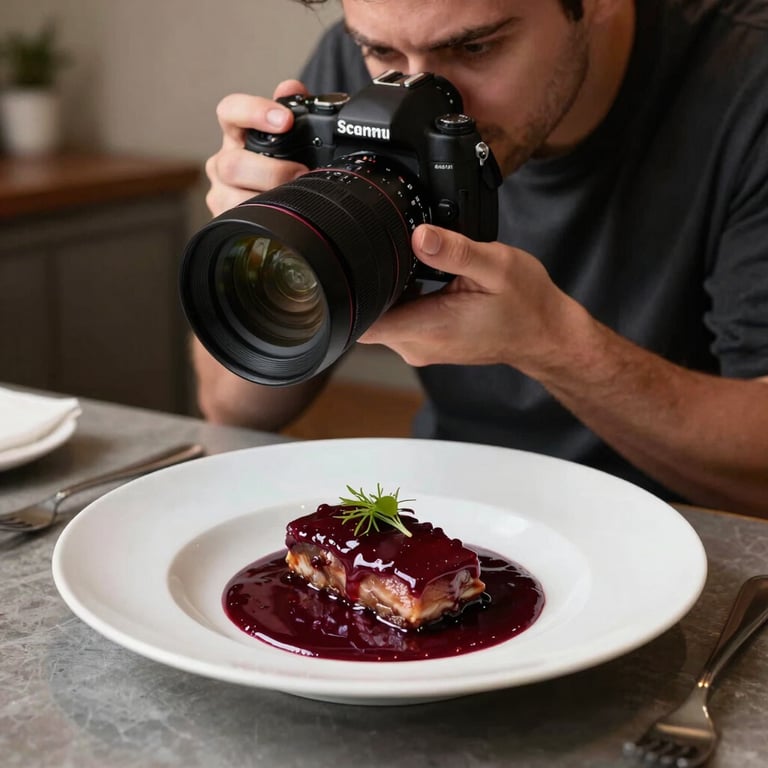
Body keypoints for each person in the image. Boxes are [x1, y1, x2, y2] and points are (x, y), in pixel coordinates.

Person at [193, 0, 768, 516]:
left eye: (475, 46)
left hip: (685, 539)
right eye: (379, 50)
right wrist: (263, 242)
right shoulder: (370, 71)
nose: (417, 95)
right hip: (451, 515)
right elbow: (231, 405)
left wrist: (550, 343)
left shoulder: (746, 84)